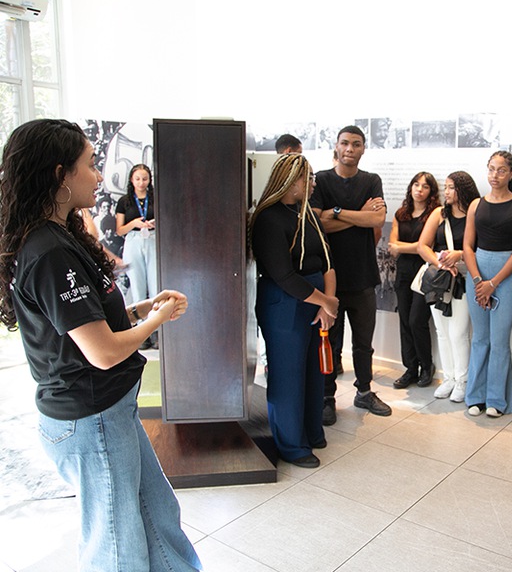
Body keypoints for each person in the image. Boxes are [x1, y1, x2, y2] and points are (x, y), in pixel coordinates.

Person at [0, 119, 201, 571]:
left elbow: (84, 325)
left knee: (158, 518)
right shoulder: (47, 250)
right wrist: (156, 321)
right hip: (90, 419)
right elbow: (103, 351)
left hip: (111, 412)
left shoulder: (63, 237)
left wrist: (138, 310)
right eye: (90, 165)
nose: (98, 175)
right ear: (60, 175)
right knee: (117, 546)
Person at [250, 154, 338, 469]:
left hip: (314, 301)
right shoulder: (268, 218)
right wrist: (326, 302)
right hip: (285, 304)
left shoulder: (306, 214)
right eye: (307, 177)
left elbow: (327, 261)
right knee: (288, 375)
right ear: (289, 180)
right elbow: (283, 276)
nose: (312, 183)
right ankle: (290, 444)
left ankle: (310, 431)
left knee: (313, 372)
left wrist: (329, 301)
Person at [310, 125, 391, 425]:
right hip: (329, 278)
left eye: (356, 144)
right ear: (336, 145)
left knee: (363, 343)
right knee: (329, 339)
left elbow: (378, 218)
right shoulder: (320, 180)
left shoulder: (371, 180)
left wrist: (337, 212)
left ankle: (365, 391)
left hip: (363, 276)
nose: (350, 149)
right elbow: (319, 225)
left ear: (363, 148)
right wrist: (358, 214)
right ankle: (327, 397)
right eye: (345, 143)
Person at [463, 150, 512, 418]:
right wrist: (480, 280)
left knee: (499, 341)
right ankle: (475, 396)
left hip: (508, 276)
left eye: (501, 170)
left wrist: (493, 283)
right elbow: (468, 247)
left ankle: (496, 399)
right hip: (477, 273)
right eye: (491, 169)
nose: (495, 175)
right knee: (480, 338)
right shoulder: (475, 205)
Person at [417, 171, 481, 402]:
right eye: (446, 187)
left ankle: (462, 381)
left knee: (459, 333)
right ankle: (449, 378)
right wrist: (442, 263)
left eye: (451, 187)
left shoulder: (475, 212)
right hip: (440, 278)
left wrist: (460, 255)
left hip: (463, 278)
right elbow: (422, 246)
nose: (446, 192)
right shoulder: (439, 214)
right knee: (441, 332)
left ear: (463, 189)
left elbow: (481, 247)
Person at [389, 171, 440, 389]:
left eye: (425, 186)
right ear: (410, 188)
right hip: (403, 272)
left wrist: (407, 247)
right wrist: (411, 247)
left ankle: (426, 366)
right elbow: (392, 247)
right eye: (416, 185)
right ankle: (410, 368)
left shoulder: (435, 214)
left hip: (424, 273)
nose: (419, 189)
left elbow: (424, 247)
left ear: (431, 192)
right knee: (404, 321)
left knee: (416, 320)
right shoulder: (401, 213)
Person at [115, 163, 157, 349]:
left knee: (156, 285)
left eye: (145, 179)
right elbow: (119, 230)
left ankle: (157, 330)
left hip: (153, 239)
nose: (141, 182)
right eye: (138, 178)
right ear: (132, 180)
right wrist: (134, 224)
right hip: (133, 240)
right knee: (138, 287)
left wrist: (155, 222)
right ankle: (142, 332)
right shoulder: (124, 201)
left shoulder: (155, 198)